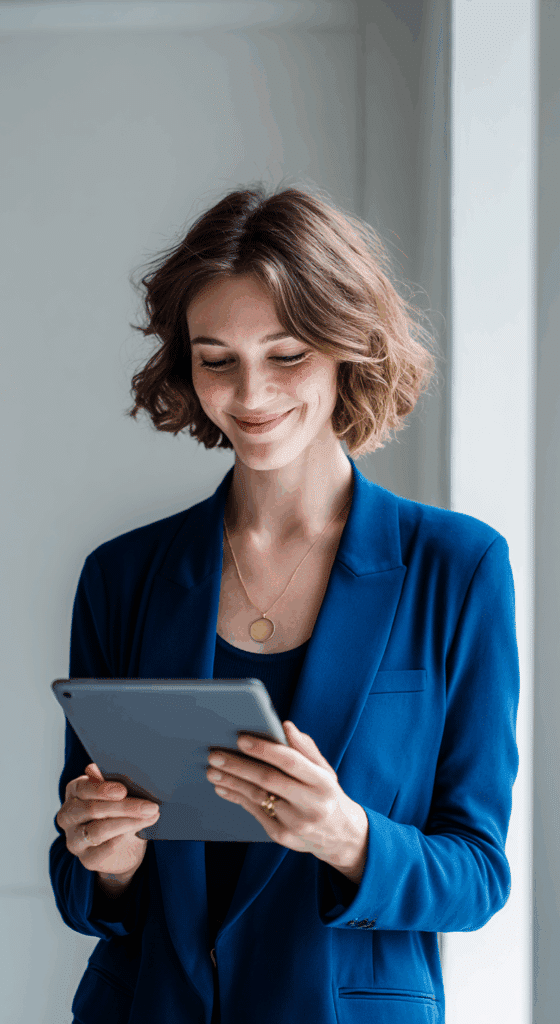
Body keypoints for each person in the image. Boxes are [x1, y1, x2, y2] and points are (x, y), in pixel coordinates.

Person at [49, 183, 520, 1024]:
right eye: (216, 359)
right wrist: (106, 861)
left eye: (288, 354)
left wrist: (346, 834)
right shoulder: (122, 576)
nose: (251, 394)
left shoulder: (457, 568)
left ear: (348, 348)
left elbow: (478, 876)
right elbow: (83, 880)